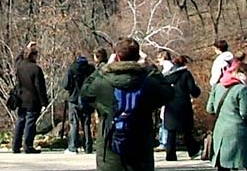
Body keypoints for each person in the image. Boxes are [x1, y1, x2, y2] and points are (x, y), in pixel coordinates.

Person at [80, 37, 174, 171]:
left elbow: (85, 92)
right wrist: (151, 67)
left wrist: (102, 67)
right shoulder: (148, 82)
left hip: (110, 149)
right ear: (137, 57)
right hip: (141, 150)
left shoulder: (103, 82)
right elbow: (168, 93)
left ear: (117, 57)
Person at [208, 62, 247, 171]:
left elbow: (209, 109)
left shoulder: (217, 86)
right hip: (237, 131)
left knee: (222, 165)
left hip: (219, 131)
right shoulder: (242, 89)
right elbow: (245, 113)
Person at [163, 55, 201, 161]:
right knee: (187, 130)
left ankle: (170, 155)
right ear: (184, 63)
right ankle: (193, 150)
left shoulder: (167, 76)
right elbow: (192, 89)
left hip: (170, 105)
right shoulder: (186, 74)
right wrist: (197, 91)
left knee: (171, 131)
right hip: (183, 104)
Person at [12, 43, 49, 154]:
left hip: (21, 98)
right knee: (30, 123)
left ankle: (16, 145)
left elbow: (17, 59)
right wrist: (44, 102)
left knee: (20, 121)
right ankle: (28, 146)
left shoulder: (20, 66)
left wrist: (27, 47)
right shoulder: (36, 69)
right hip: (33, 100)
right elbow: (40, 88)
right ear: (33, 56)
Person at [64, 53, 97, 154]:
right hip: (86, 99)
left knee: (74, 123)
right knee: (86, 123)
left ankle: (73, 147)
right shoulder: (91, 69)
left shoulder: (72, 69)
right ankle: (88, 147)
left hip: (74, 99)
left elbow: (66, 85)